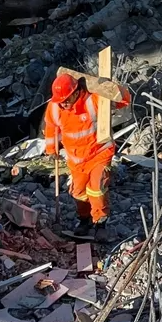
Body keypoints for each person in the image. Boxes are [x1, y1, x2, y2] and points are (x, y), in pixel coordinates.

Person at [44, 74, 131, 239]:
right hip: (76, 160)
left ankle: (100, 223)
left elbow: (124, 101)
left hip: (98, 153)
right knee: (78, 193)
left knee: (96, 188)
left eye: (66, 99)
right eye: (61, 100)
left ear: (76, 92)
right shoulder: (55, 107)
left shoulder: (93, 101)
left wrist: (113, 88)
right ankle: (85, 220)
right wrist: (51, 149)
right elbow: (51, 127)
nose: (63, 103)